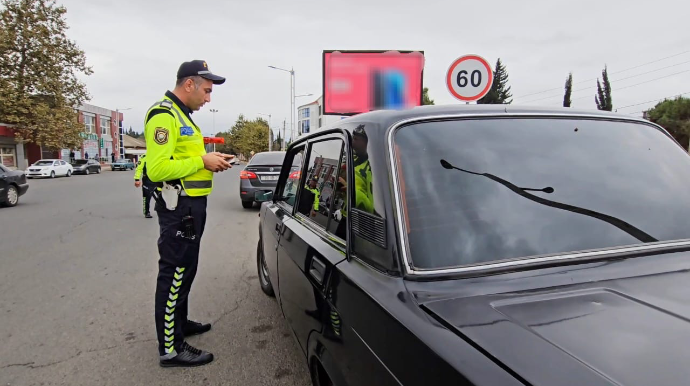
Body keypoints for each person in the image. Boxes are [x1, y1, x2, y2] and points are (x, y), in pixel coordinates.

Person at [144, 59, 231, 368]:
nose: (208, 99)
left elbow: (185, 156)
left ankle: (179, 324)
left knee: (187, 269)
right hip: (178, 207)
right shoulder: (163, 115)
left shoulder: (183, 116)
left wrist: (210, 158)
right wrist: (202, 162)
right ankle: (170, 347)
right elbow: (156, 168)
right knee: (175, 272)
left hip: (191, 205)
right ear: (189, 84)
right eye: (206, 91)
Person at [335, 124, 373, 239]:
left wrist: (351, 191)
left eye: (356, 139)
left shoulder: (372, 168)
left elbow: (373, 208)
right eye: (352, 138)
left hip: (361, 226)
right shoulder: (351, 160)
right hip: (345, 218)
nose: (352, 142)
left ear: (367, 142)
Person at [134, 154, 155, 218]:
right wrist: (137, 179)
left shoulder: (159, 155)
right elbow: (139, 168)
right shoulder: (144, 157)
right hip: (147, 181)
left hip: (158, 180)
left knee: (163, 197)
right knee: (147, 198)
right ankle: (147, 212)